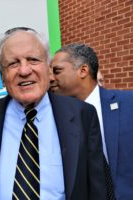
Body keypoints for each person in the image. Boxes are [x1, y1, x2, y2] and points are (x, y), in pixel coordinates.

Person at [0, 28, 106, 200]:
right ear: (3, 76)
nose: (24, 71)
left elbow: (97, 189)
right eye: (13, 63)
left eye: (33, 60)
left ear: (49, 69)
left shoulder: (83, 115)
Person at [49, 43, 133, 200]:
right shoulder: (54, 120)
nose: (50, 78)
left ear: (83, 71)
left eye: (57, 71)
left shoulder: (129, 104)